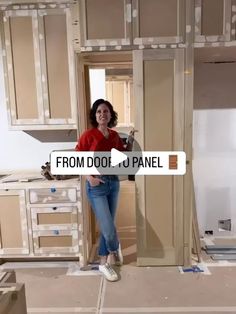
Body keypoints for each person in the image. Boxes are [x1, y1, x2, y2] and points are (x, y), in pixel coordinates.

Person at [75, 98, 134, 282]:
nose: (102, 114)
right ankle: (114, 248)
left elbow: (121, 156)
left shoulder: (114, 135)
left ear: (110, 115)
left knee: (108, 224)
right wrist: (89, 178)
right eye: (99, 111)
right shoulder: (88, 135)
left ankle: (104, 261)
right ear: (95, 115)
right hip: (96, 186)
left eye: (106, 111)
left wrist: (130, 141)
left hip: (113, 183)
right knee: (109, 229)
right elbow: (77, 160)